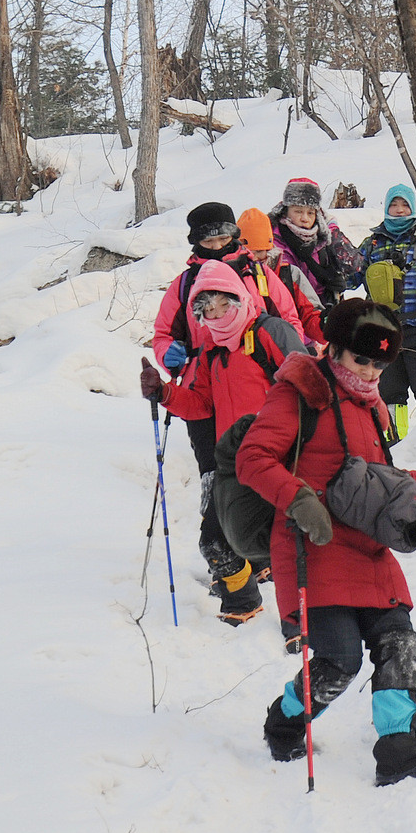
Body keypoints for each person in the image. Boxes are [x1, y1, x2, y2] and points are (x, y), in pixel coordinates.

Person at [235, 299, 416, 786]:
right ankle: (284, 723)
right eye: (359, 359)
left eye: (378, 364)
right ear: (334, 349)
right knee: (339, 661)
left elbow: (379, 480)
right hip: (314, 548)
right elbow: (253, 458)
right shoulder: (299, 394)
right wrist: (298, 499)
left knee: (399, 644)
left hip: (369, 550)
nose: (368, 371)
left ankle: (399, 753)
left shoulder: (371, 409)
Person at [147, 202, 306, 624]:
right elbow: (163, 334)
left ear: (234, 235)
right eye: (208, 239)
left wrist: (274, 343)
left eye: (222, 236)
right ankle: (234, 560)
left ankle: (259, 555)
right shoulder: (184, 285)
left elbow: (290, 320)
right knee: (216, 479)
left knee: (271, 487)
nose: (216, 245)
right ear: (196, 240)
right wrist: (171, 361)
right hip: (209, 390)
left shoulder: (258, 275)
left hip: (262, 385)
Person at [354, 184, 416, 442]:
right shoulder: (372, 243)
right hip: (384, 328)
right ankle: (396, 443)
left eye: (404, 204)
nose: (400, 210)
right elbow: (350, 278)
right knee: (390, 391)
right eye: (394, 205)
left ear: (413, 207)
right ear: (386, 208)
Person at [237, 207, 326, 347]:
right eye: (252, 251)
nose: (257, 257)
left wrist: (327, 325)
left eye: (263, 250)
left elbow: (310, 314)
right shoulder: (233, 278)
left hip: (296, 346)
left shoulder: (289, 274)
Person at [268, 178, 360, 310]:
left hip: (321, 315)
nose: (305, 218)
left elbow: (353, 265)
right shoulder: (272, 240)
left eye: (310, 212)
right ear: (286, 210)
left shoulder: (323, 239)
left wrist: (333, 232)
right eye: (298, 211)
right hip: (287, 313)